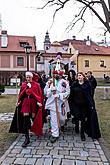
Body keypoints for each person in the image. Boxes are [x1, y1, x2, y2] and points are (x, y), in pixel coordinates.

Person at [9, 71, 43, 148]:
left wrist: (39, 101)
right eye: (27, 77)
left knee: (34, 117)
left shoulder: (36, 85)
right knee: (26, 119)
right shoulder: (24, 84)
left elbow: (38, 94)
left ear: (32, 77)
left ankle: (36, 129)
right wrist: (19, 101)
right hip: (25, 103)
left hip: (33, 103)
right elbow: (21, 94)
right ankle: (27, 138)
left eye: (29, 77)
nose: (28, 78)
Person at [70, 72, 101, 141]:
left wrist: (91, 105)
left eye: (80, 75)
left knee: (83, 118)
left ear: (83, 77)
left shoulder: (87, 85)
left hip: (84, 105)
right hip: (76, 104)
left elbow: (90, 95)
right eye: (78, 76)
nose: (79, 77)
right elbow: (71, 94)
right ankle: (76, 125)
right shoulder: (74, 84)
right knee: (77, 116)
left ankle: (82, 133)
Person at [44, 70, 70, 143]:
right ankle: (55, 134)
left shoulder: (65, 82)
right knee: (54, 120)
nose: (56, 75)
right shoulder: (50, 82)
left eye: (58, 74)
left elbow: (67, 93)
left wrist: (59, 95)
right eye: (55, 74)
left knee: (62, 119)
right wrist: (50, 90)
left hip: (61, 103)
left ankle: (61, 126)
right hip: (53, 104)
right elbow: (45, 93)